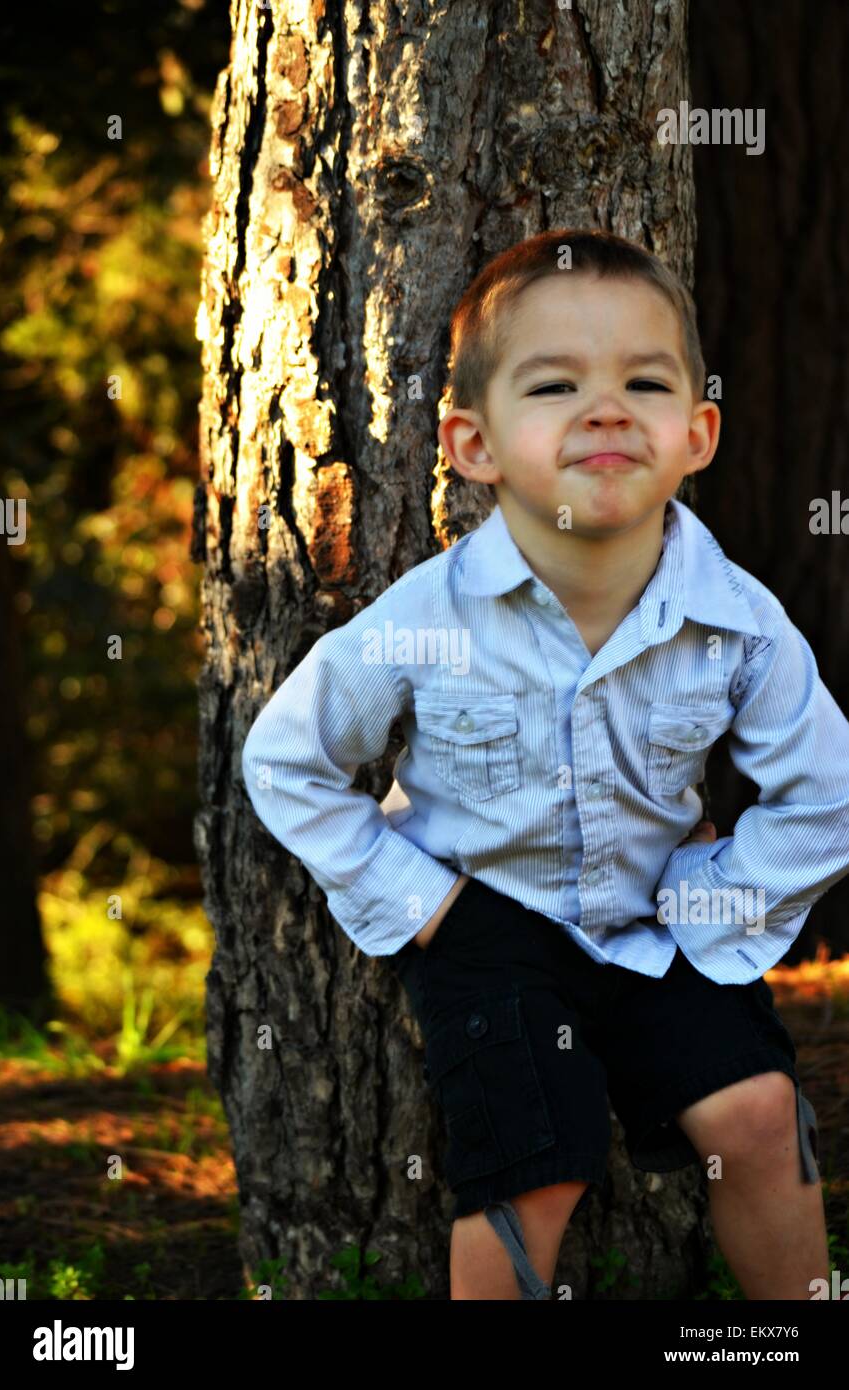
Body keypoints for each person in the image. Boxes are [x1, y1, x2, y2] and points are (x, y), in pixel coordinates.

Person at [241, 228, 849, 1300]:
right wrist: (424, 904)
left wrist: (712, 903)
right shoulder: (428, 619)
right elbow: (288, 759)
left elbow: (826, 791)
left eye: (643, 382)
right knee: (537, 1166)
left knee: (754, 1113)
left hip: (661, 928)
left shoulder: (737, 621)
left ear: (696, 432)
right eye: (555, 383)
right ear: (472, 443)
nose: (605, 408)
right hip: (489, 932)